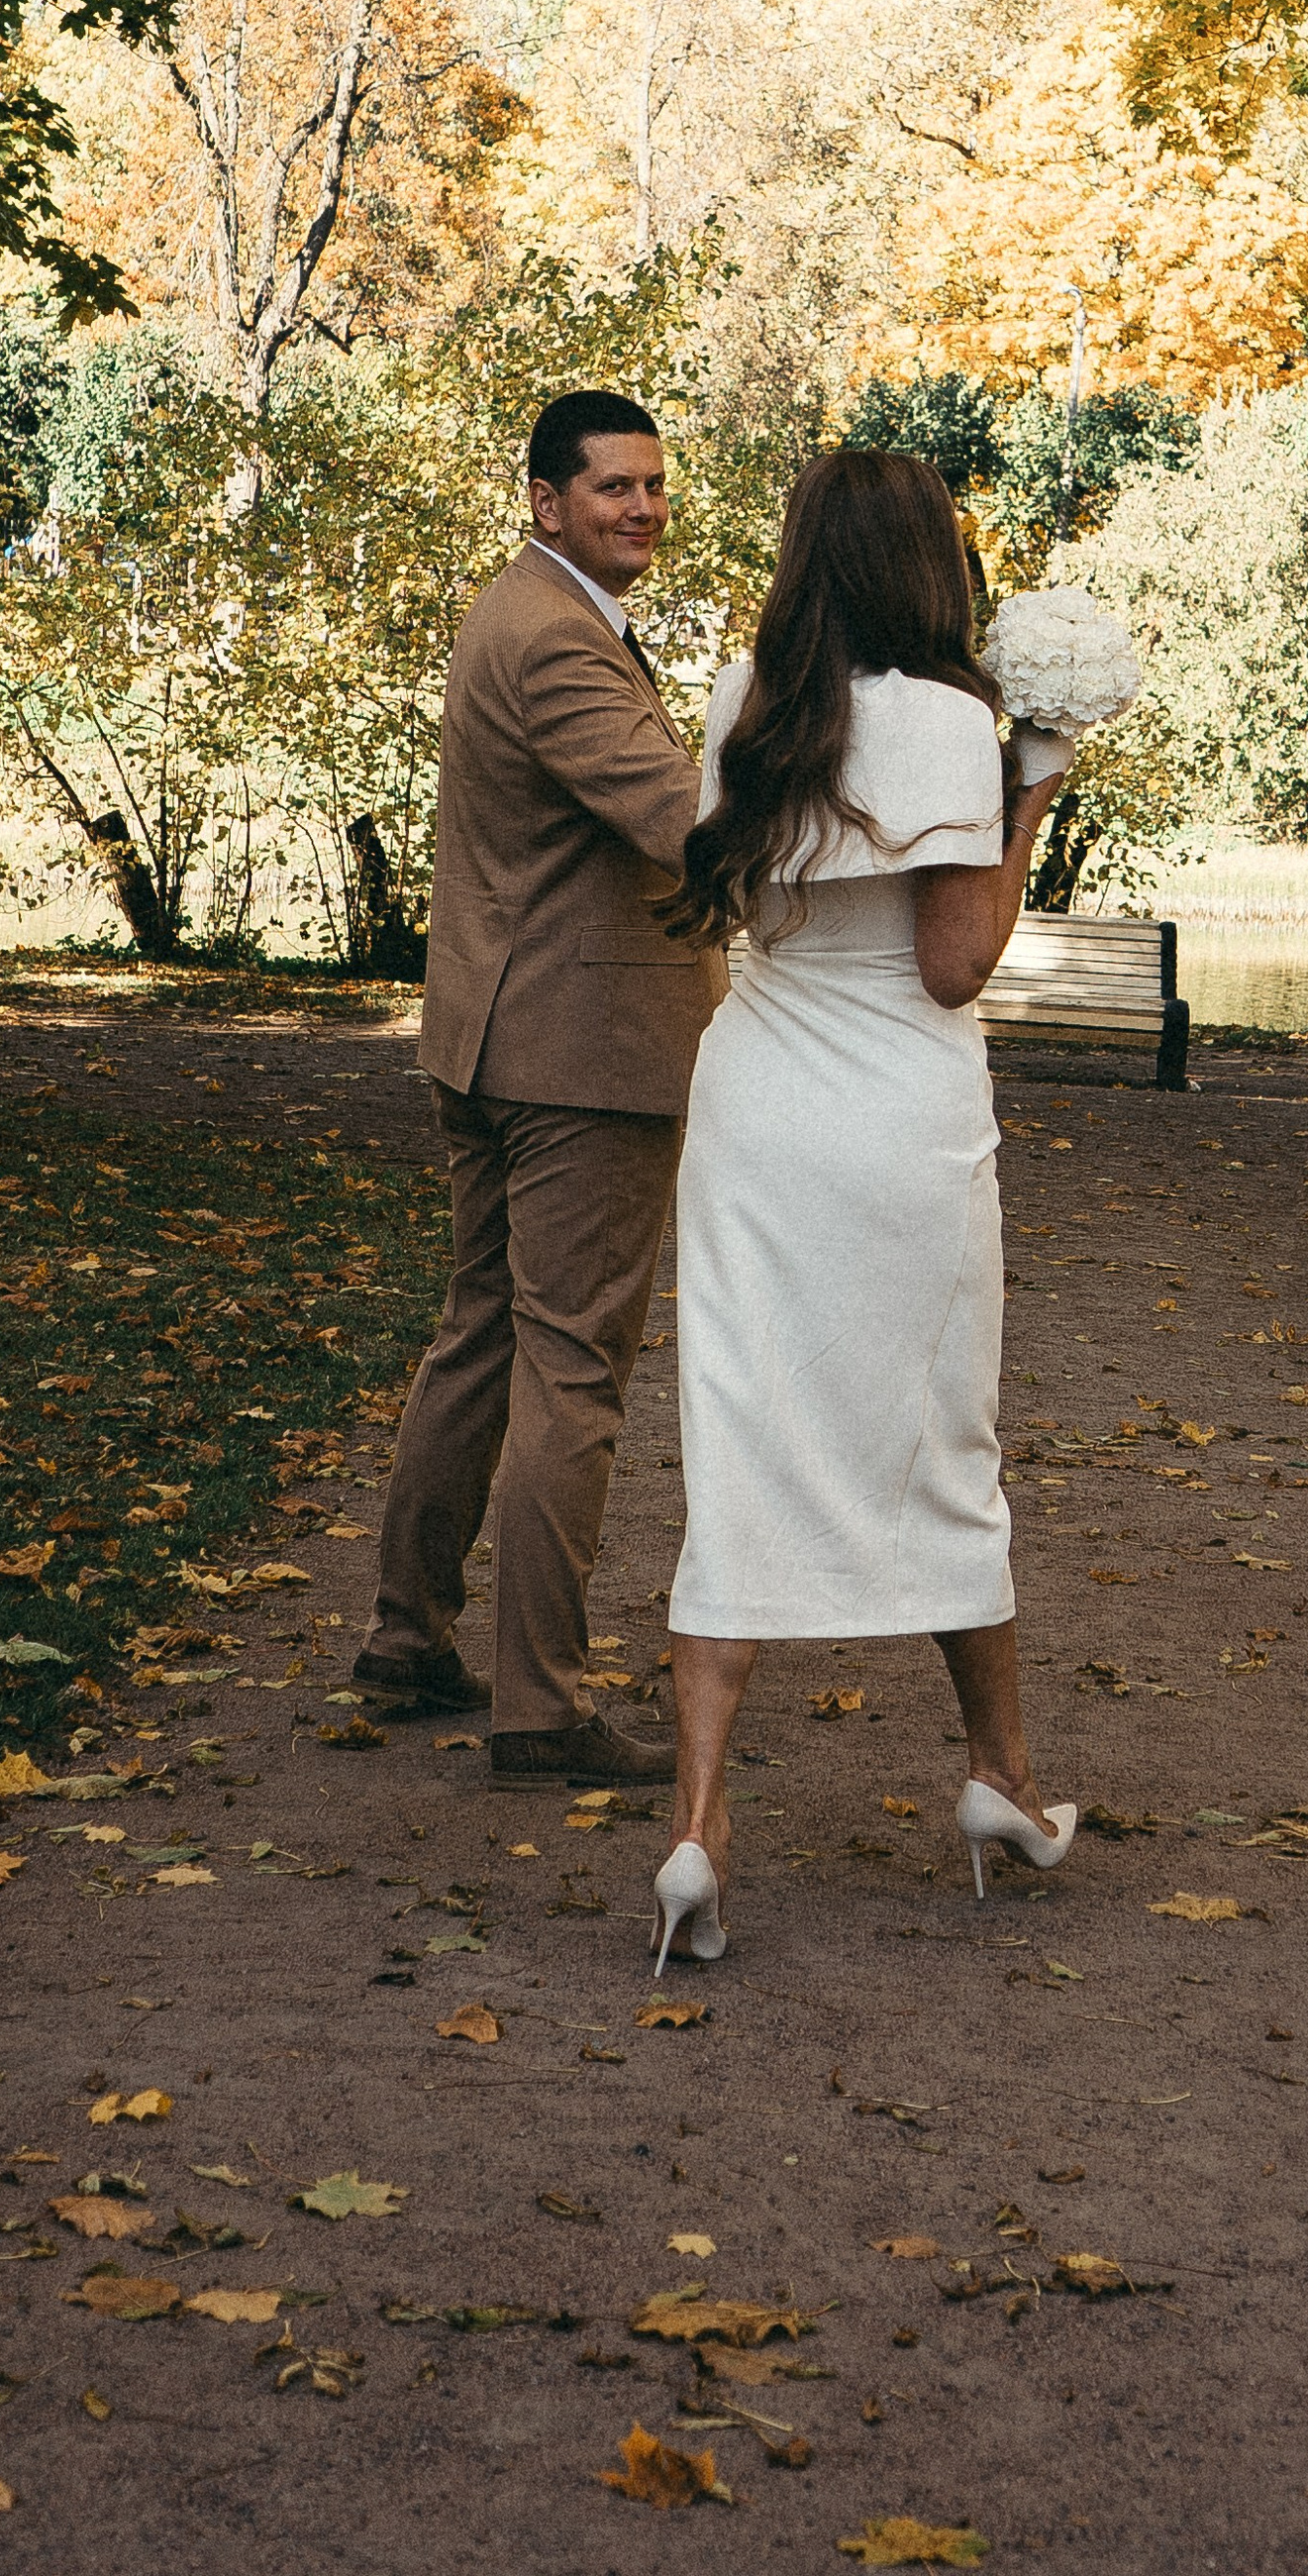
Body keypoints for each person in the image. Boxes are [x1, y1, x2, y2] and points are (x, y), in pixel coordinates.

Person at [643, 446, 1077, 1968]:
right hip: (899, 1116)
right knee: (941, 1436)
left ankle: (698, 1829)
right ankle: (1000, 1777)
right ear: (928, 566)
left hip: (757, 1102)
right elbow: (955, 964)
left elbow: (744, 909)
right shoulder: (951, 724)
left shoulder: (747, 699)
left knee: (739, 1444)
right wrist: (1032, 794)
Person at [354, 391, 718, 1789]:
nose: (643, 508)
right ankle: (541, 1709)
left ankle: (407, 1640)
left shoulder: (531, 611)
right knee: (572, 1370)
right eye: (614, 487)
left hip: (505, 1036)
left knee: (482, 1342)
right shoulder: (558, 633)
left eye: (655, 486)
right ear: (545, 501)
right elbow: (683, 822)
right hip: (580, 1057)